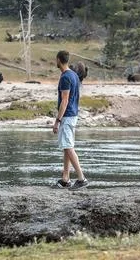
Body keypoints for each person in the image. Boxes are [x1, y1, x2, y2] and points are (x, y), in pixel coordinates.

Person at [52, 50, 88, 190]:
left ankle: (81, 178)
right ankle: (65, 179)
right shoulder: (74, 75)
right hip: (73, 114)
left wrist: (57, 121)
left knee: (68, 147)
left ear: (58, 60)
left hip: (67, 116)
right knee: (67, 146)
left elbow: (65, 101)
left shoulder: (65, 77)